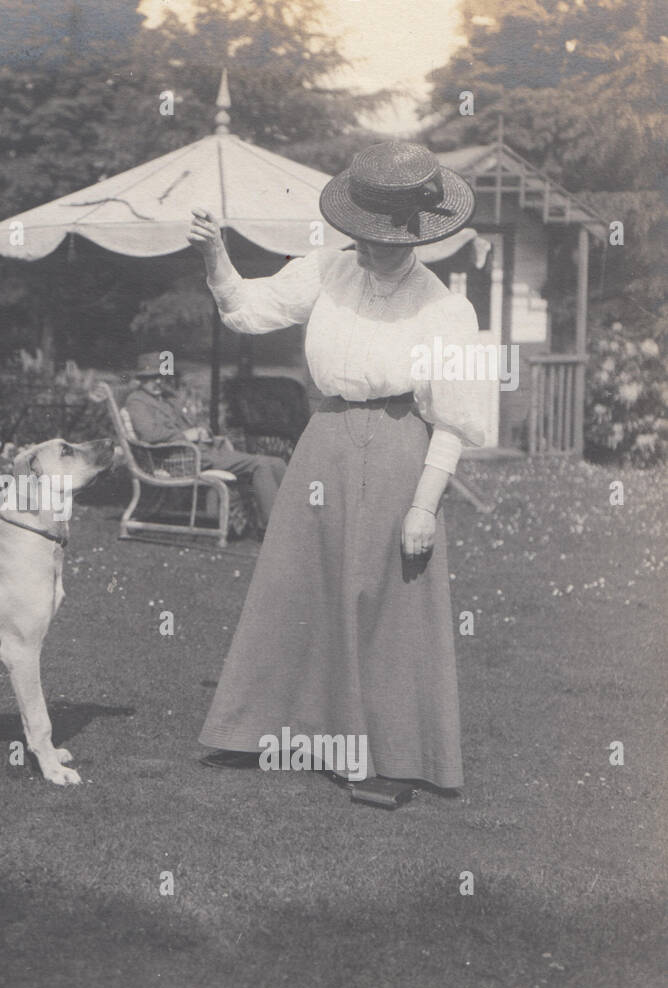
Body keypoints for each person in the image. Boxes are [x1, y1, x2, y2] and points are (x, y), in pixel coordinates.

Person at [187, 141, 490, 798]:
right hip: (322, 442)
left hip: (398, 449)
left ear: (418, 230)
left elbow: (455, 418)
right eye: (365, 234)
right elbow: (246, 308)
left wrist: (423, 504)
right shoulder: (324, 272)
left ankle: (386, 758)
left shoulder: (444, 309)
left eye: (389, 237)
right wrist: (216, 256)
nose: (375, 248)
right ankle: (265, 733)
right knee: (296, 587)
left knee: (383, 597)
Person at [124, 369, 285, 533]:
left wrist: (202, 431)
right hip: (180, 459)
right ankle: (274, 530)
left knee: (277, 462)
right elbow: (149, 434)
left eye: (161, 377)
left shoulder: (167, 400)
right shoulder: (137, 402)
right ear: (141, 380)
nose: (158, 381)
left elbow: (194, 423)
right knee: (261, 464)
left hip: (202, 452)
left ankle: (292, 520)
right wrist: (186, 435)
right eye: (152, 378)